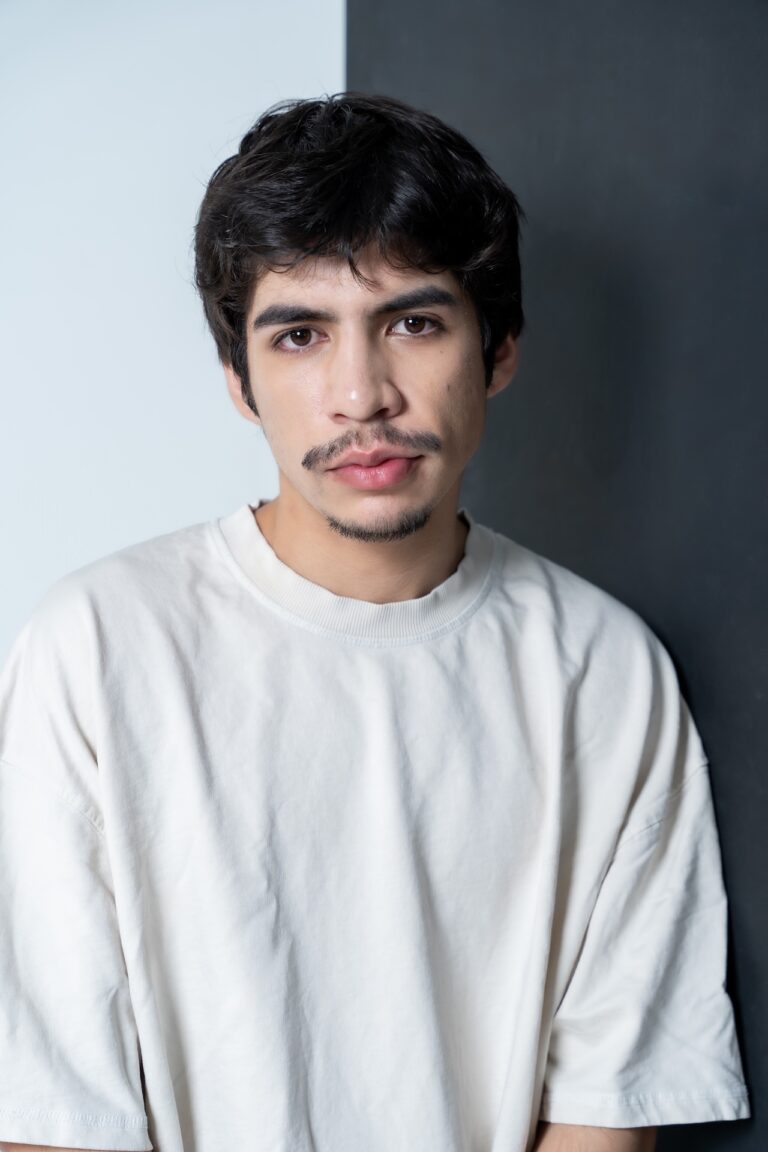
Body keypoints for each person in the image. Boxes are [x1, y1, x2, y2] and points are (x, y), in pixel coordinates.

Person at [0, 92, 750, 1152]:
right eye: (300, 335)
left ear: (497, 350)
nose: (361, 395)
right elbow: (48, 1109)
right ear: (239, 380)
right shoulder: (97, 647)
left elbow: (608, 1115)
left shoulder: (605, 671)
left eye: (413, 322)